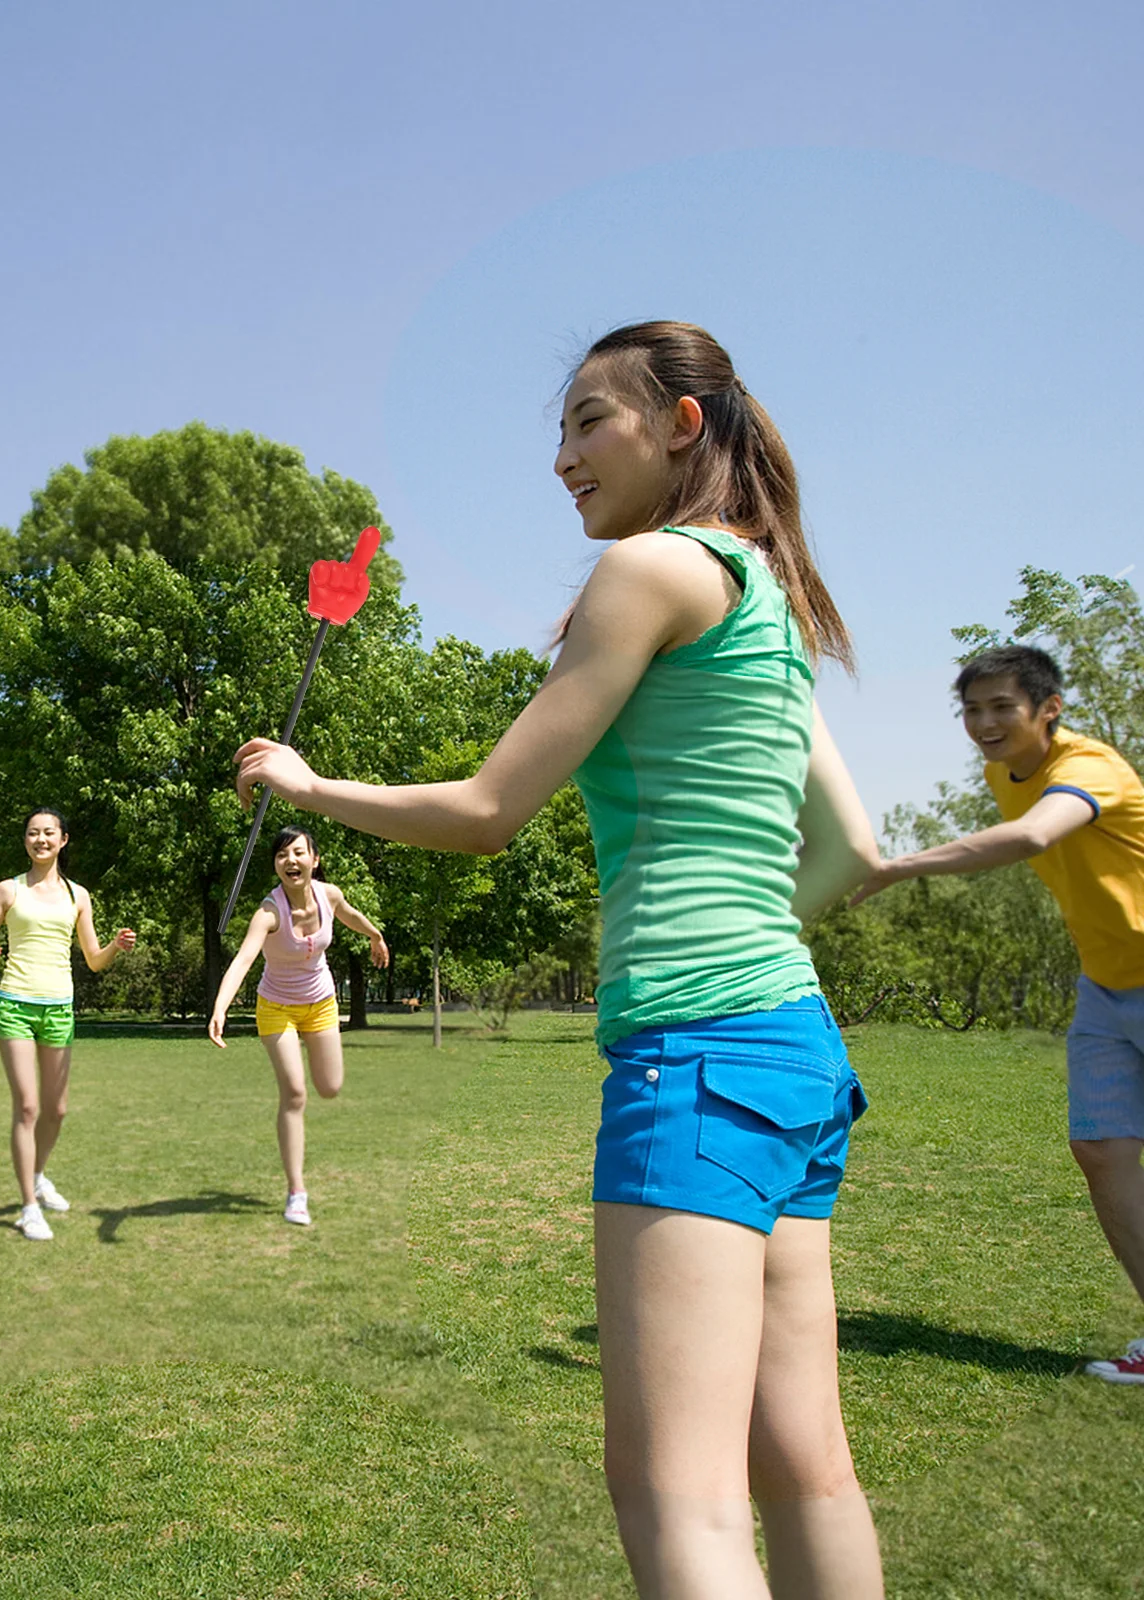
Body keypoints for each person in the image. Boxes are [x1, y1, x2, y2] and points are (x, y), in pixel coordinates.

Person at [232, 322, 885, 1596]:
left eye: (592, 421)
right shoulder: (768, 594)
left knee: (678, 1502)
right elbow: (851, 851)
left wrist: (311, 783)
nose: (563, 456)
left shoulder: (649, 569)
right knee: (806, 1465)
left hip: (696, 1056)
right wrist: (747, 941)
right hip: (794, 1046)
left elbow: (487, 814)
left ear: (681, 426)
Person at [854, 643, 1144, 1385]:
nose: (984, 723)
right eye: (971, 709)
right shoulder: (999, 773)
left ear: (1049, 710)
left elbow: (1033, 837)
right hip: (1105, 989)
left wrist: (897, 866)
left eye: (1001, 708)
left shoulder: (1088, 769)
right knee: (1103, 1153)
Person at [0, 809, 135, 1241]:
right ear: (25, 841)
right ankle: (27, 1207)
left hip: (59, 1008)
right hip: (16, 1006)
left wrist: (115, 945)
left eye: (48, 833)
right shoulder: (8, 890)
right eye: (32, 833)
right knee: (27, 1107)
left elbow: (94, 961)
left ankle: (38, 1176)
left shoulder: (79, 896)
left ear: (63, 840)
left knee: (56, 1110)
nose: (40, 839)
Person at [208, 825, 389, 1227]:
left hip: (321, 1005)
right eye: (282, 856)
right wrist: (220, 1007)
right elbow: (242, 960)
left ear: (314, 860)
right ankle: (296, 1192)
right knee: (295, 1093)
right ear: (276, 866)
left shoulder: (329, 895)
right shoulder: (269, 912)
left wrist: (375, 935)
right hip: (276, 1009)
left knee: (330, 1087)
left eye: (298, 853)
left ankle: (297, 1187)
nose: (290, 861)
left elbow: (351, 915)